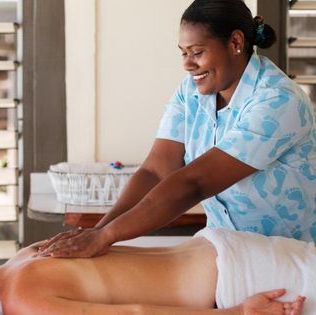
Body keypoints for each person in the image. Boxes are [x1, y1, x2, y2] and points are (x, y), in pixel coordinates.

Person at [39, 0, 316, 259]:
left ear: (235, 42)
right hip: (229, 254)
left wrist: (106, 236)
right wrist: (96, 233)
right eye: (183, 53)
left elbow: (195, 184)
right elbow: (156, 171)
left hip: (290, 259)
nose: (187, 64)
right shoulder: (191, 92)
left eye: (197, 52)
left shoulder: (278, 100)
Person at [0, 228, 308, 314]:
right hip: (223, 247)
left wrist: (240, 313)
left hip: (242, 286)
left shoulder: (23, 302)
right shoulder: (26, 255)